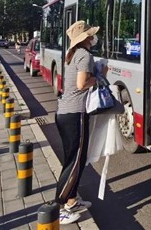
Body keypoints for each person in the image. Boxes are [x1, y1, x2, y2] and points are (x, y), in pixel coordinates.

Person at [55, 20, 101, 224]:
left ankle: (72, 200)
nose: (93, 37)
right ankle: (61, 207)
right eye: (91, 35)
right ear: (86, 38)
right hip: (75, 114)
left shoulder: (73, 54)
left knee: (75, 159)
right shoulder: (85, 55)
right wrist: (98, 77)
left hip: (65, 113)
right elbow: (82, 84)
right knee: (74, 162)